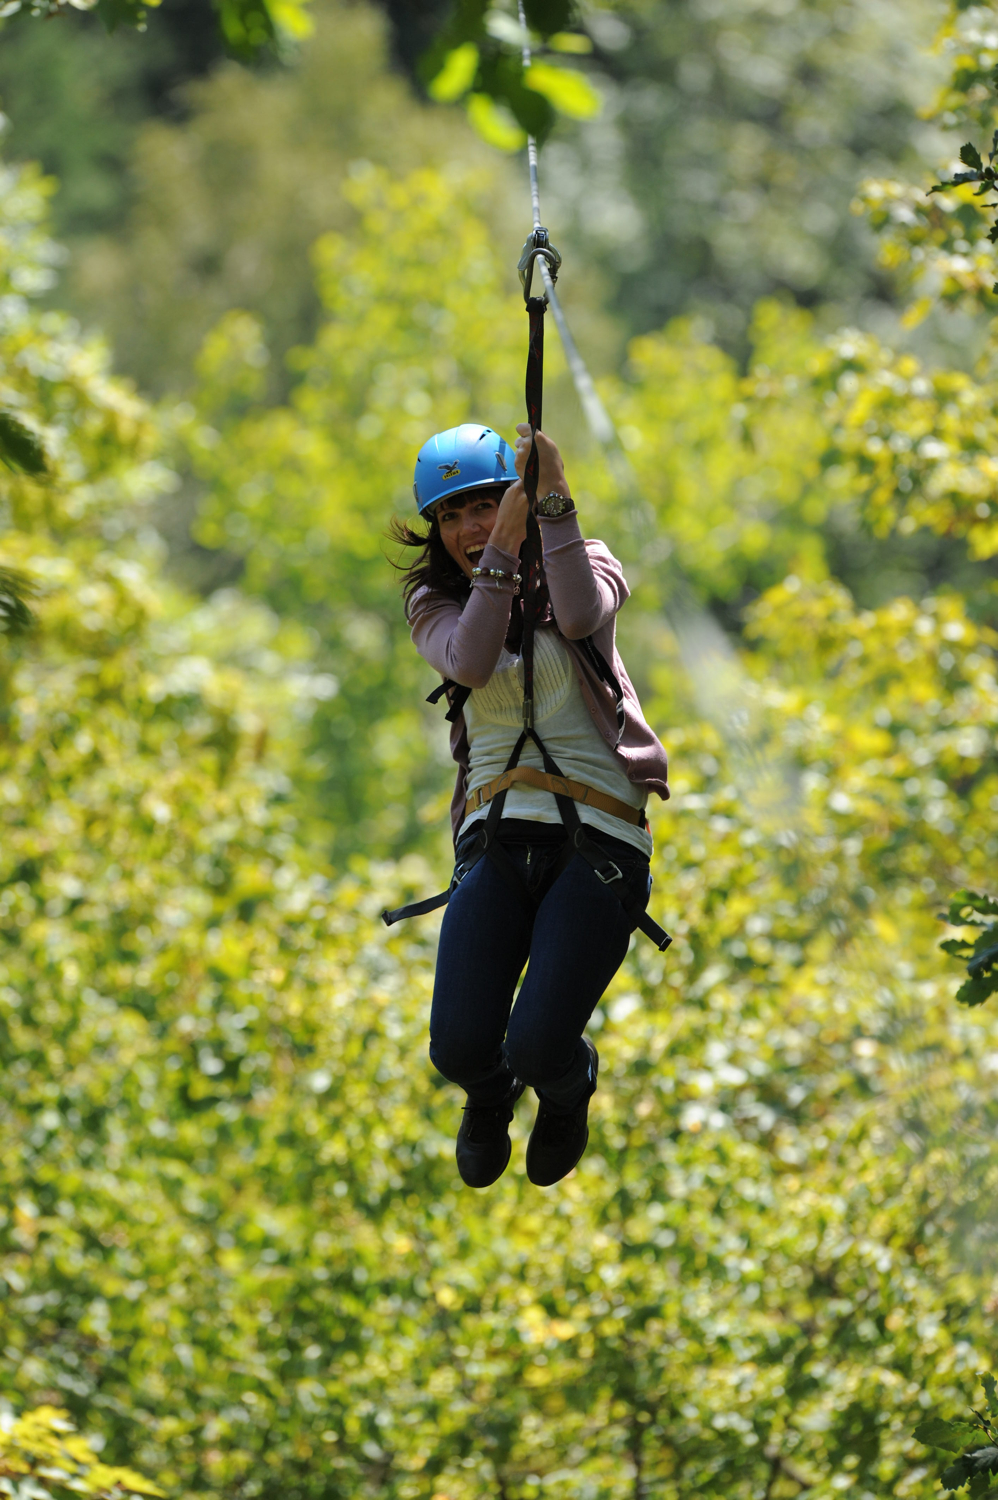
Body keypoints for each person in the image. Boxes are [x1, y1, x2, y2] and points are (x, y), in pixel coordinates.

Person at [391, 421, 670, 1189]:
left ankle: (564, 1086)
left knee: (540, 1042)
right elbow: (472, 662)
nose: (469, 529)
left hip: (599, 843)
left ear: (514, 498)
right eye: (451, 517)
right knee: (456, 1045)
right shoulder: (432, 602)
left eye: (483, 506)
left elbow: (579, 617)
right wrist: (500, 559)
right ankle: (489, 1098)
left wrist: (553, 510)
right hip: (496, 840)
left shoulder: (588, 566)